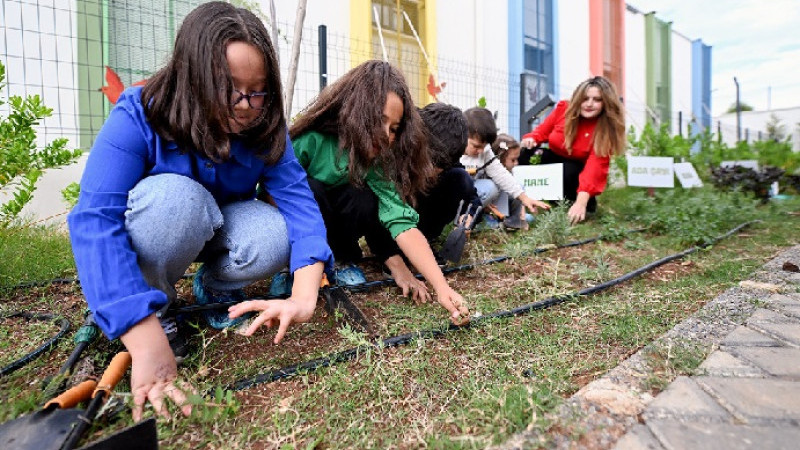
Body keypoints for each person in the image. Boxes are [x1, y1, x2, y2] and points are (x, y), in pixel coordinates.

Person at [67, 1, 333, 422]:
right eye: (230, 89)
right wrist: (141, 336)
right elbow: (94, 219)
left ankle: (215, 286)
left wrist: (304, 295)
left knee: (278, 234)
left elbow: (300, 206)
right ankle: (153, 310)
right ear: (192, 78)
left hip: (219, 227)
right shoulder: (140, 113)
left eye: (257, 91)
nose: (246, 105)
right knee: (178, 201)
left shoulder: (265, 126)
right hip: (163, 223)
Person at [289, 60, 469, 325]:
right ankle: (293, 267)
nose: (386, 134)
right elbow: (274, 194)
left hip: (336, 224)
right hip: (297, 225)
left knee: (361, 196)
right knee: (309, 190)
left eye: (394, 128)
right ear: (354, 109)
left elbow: (402, 224)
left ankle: (341, 259)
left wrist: (441, 287)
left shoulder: (376, 163)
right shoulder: (311, 140)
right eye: (379, 121)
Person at [521, 76, 626, 224]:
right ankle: (522, 201)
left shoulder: (604, 131)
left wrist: (581, 203)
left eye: (597, 100)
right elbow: (543, 131)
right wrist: (532, 138)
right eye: (585, 99)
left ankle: (576, 206)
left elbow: (593, 169)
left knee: (567, 169)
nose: (589, 104)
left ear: (606, 103)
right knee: (525, 154)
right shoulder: (565, 109)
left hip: (577, 176)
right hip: (556, 160)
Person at [460, 107, 550, 220]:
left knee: (493, 186)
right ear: (462, 135)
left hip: (471, 195)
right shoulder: (451, 148)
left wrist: (525, 198)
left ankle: (471, 217)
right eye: (476, 146)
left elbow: (501, 175)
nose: (481, 151)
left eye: (484, 146)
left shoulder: (485, 151)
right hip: (453, 194)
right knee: (488, 187)